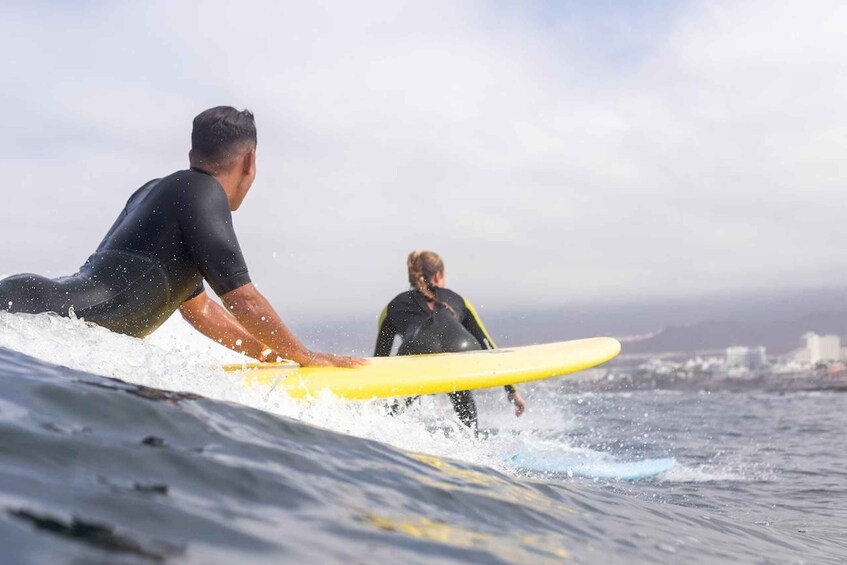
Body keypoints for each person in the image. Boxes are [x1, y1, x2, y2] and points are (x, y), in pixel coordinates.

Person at [0, 106, 362, 368]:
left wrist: (268, 354)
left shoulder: (163, 192)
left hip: (35, 307)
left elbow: (198, 309)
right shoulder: (201, 193)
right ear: (249, 161)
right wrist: (305, 356)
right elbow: (242, 298)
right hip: (38, 313)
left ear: (193, 152)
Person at [374, 251, 526, 433]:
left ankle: (386, 430)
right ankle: (472, 440)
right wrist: (512, 391)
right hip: (461, 350)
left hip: (418, 353)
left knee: (407, 391)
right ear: (439, 275)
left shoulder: (392, 307)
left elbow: (379, 360)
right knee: (459, 387)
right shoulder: (460, 300)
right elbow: (487, 344)